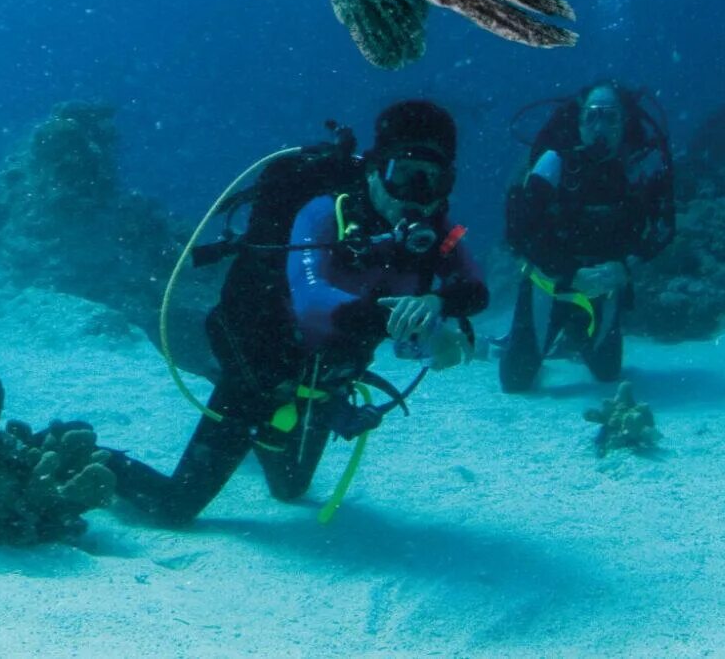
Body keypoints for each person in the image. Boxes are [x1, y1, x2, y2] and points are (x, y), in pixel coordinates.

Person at [102, 100, 486, 526]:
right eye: (405, 175)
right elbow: (311, 300)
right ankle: (85, 450)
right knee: (174, 507)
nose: (416, 196)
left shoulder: (434, 234)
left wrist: (438, 304)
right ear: (376, 170)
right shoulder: (325, 212)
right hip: (261, 365)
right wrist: (403, 324)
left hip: (326, 378)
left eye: (433, 182)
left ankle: (265, 430)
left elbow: (474, 289)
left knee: (291, 488)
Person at [499, 80, 675, 393]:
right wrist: (569, 273)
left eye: (610, 117)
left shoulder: (639, 168)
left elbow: (663, 228)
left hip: (605, 282)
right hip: (549, 281)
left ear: (625, 123)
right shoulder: (553, 162)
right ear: (578, 123)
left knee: (608, 373)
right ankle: (522, 340)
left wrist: (625, 267)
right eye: (592, 117)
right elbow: (518, 232)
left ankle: (575, 333)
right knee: (515, 381)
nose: (600, 127)